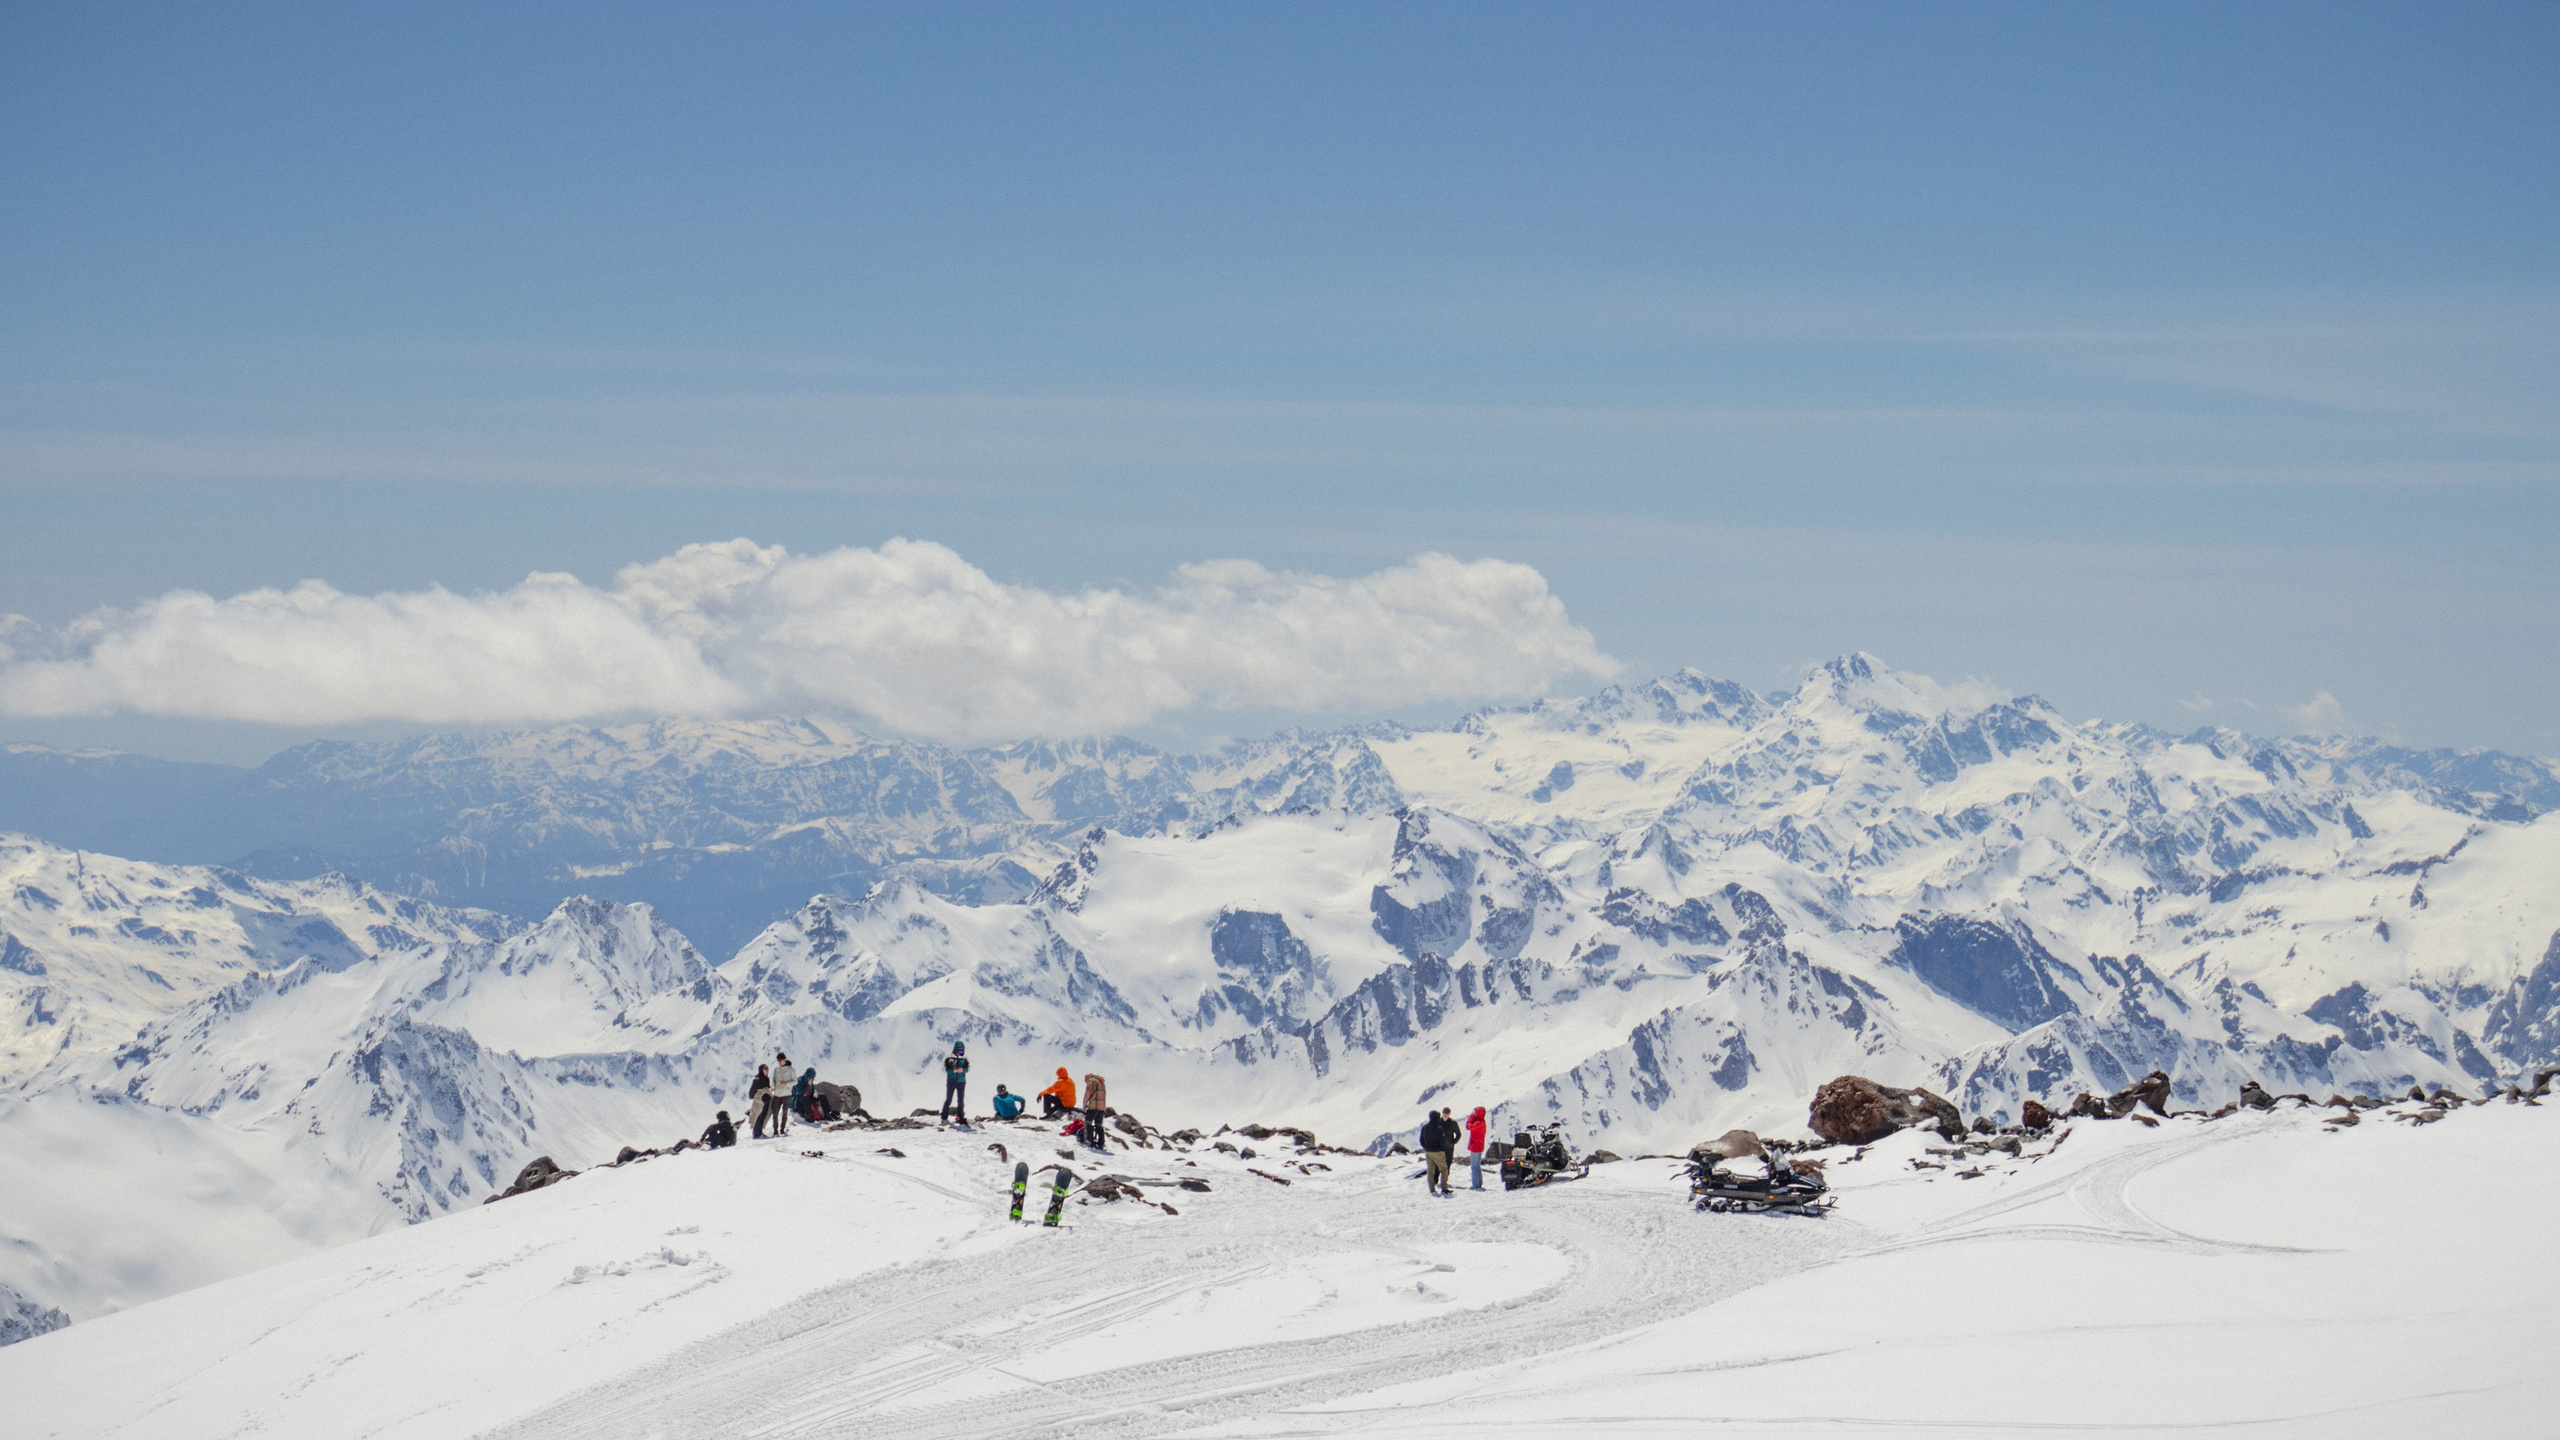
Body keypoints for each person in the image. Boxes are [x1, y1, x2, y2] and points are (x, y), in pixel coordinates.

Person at [1419, 1108, 1457, 1196]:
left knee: (1430, 1170)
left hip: (1428, 1151)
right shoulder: (1439, 1128)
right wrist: (1444, 1148)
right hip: (1439, 1151)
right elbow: (1442, 1140)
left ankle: (1432, 1189)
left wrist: (1425, 1147)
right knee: (1444, 1169)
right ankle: (1444, 1188)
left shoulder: (1425, 1127)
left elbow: (1421, 1140)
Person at [940, 1042, 970, 1124]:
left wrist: (962, 1070)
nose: (960, 1052)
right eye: (959, 1051)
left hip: (961, 1081)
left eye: (962, 1051)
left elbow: (968, 1068)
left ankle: (960, 1117)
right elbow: (943, 1069)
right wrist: (952, 1071)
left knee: (961, 1101)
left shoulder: (965, 1058)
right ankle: (944, 1117)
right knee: (948, 1100)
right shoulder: (948, 1057)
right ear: (955, 1049)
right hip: (951, 1081)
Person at [1081, 1071, 1110, 1152]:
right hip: (1101, 1107)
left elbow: (1087, 1094)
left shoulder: (1091, 1082)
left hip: (1093, 1106)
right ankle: (1101, 1143)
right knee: (1099, 1125)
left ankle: (1089, 1141)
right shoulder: (1102, 1082)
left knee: (1088, 1123)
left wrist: (1084, 1105)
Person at [770, 1051, 794, 1137]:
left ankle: (782, 1129)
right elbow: (773, 1079)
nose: (779, 1062)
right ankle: (775, 1130)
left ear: (784, 1060)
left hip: (787, 1094)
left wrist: (786, 1084)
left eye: (781, 1060)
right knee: (775, 1113)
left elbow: (795, 1081)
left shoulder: (791, 1069)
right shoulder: (776, 1069)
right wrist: (773, 1086)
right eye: (778, 1061)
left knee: (784, 1113)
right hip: (777, 1094)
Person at [747, 1064, 774, 1139]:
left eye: (767, 1070)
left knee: (763, 1116)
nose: (766, 1071)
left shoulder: (766, 1079)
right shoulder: (757, 1080)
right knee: (758, 1116)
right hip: (760, 1102)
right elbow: (752, 1093)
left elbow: (767, 1088)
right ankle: (756, 1133)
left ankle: (760, 1131)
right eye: (765, 1070)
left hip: (766, 1102)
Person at [1466, 1105, 1488, 1191]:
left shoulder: (1478, 1123)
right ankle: (1478, 1184)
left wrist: (1471, 1116)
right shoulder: (1482, 1122)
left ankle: (1476, 1185)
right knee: (1477, 1166)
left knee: (1474, 1167)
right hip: (1479, 1146)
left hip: (1475, 1146)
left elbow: (1469, 1126)